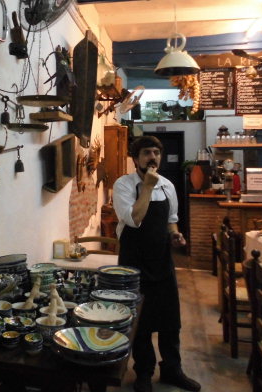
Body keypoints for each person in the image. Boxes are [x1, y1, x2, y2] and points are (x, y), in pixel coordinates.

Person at [112, 136, 201, 392]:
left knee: (170, 320)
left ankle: (173, 370)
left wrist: (175, 234)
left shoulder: (167, 185)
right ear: (135, 159)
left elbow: (171, 219)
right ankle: (143, 372)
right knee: (141, 322)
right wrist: (148, 187)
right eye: (147, 153)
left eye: (156, 152)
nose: (153, 157)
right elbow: (134, 220)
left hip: (161, 261)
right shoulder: (124, 185)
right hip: (133, 262)